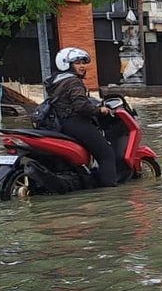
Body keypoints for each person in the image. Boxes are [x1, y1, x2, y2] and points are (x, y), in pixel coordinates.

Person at [48, 47, 118, 188]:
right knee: (106, 154)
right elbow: (81, 107)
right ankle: (109, 190)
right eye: (77, 63)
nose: (82, 66)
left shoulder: (55, 81)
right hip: (76, 123)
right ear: (66, 64)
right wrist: (99, 110)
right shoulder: (73, 82)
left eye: (83, 63)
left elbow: (71, 100)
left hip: (61, 124)